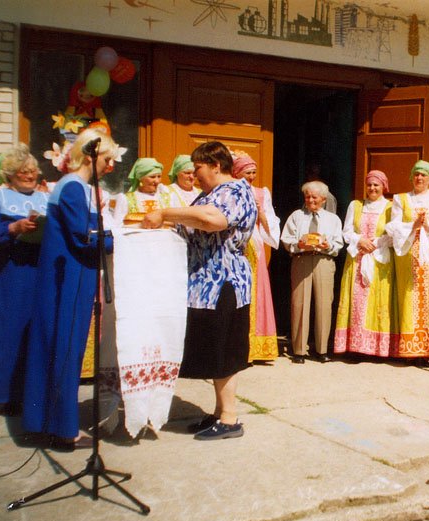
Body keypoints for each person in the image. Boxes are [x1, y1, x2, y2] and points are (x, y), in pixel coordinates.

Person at [142, 141, 257, 440]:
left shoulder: (234, 191)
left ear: (216, 166)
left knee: (224, 352)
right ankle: (220, 413)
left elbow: (212, 221)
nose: (194, 175)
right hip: (205, 286)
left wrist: (166, 212)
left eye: (199, 168)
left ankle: (230, 419)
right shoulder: (210, 195)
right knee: (214, 350)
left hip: (224, 284)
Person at [21, 128, 117, 450]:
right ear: (90, 155)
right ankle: (64, 430)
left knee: (54, 347)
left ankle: (43, 422)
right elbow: (83, 237)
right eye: (107, 159)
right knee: (65, 349)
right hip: (70, 279)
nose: (110, 166)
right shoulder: (75, 187)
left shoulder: (74, 186)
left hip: (66, 276)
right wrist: (117, 239)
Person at [0, 144, 48, 414]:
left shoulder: (45, 198)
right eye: (23, 172)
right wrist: (14, 227)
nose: (29, 176)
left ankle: (29, 393)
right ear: (11, 174)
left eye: (33, 171)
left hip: (39, 271)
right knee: (6, 332)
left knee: (33, 331)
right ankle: (1, 396)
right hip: (9, 274)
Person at [386, 160, 429, 365]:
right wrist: (412, 226)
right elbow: (393, 226)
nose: (420, 178)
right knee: (408, 297)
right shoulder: (401, 199)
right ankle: (409, 348)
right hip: (408, 256)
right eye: (416, 174)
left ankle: (426, 350)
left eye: (424, 175)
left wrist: (427, 225)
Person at [334, 170, 397, 358]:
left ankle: (378, 348)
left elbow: (393, 234)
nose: (372, 188)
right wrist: (359, 239)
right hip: (357, 259)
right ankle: (355, 347)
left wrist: (375, 243)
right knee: (356, 300)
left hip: (379, 260)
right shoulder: (356, 205)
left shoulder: (390, 207)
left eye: (376, 185)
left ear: (383, 186)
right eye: (369, 184)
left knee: (378, 301)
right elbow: (346, 231)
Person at [281, 181, 343, 363]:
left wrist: (328, 245)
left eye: (314, 197)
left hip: (323, 261)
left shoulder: (333, 219)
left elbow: (338, 244)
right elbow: (286, 238)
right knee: (299, 304)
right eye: (307, 196)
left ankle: (321, 349)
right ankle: (299, 349)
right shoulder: (296, 216)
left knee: (324, 304)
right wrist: (297, 245)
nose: (310, 200)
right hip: (302, 259)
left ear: (323, 199)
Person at [232, 152, 281, 361]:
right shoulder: (230, 192)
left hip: (255, 249)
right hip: (236, 249)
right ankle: (236, 347)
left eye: (253, 172)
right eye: (246, 172)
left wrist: (260, 212)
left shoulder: (261, 193)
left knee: (256, 293)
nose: (250, 177)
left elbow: (270, 226)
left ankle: (256, 348)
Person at [112, 157, 170, 226]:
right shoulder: (126, 199)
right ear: (140, 178)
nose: (157, 181)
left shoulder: (167, 197)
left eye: (159, 176)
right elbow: (117, 225)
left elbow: (176, 223)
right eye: (152, 177)